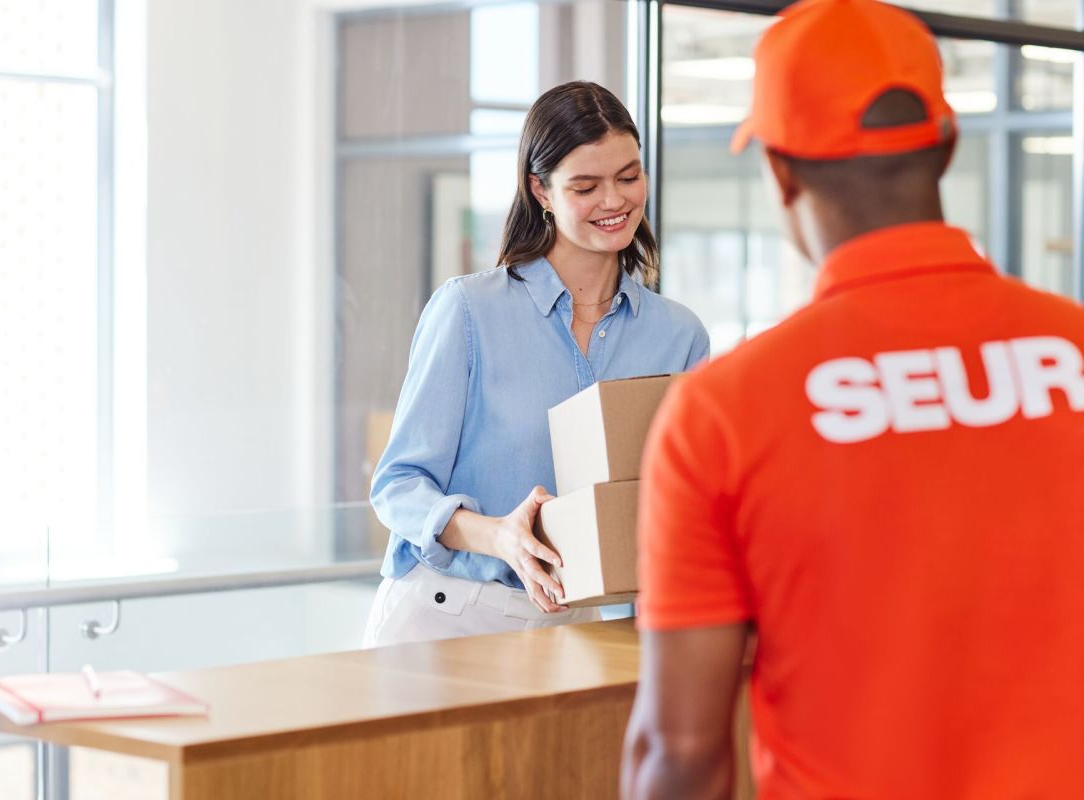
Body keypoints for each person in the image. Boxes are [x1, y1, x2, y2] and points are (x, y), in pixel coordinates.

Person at [622, 1, 1084, 798]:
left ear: (779, 169)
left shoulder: (723, 414)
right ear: (946, 147)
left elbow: (685, 753)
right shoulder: (1071, 349)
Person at [363, 81, 710, 648]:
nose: (615, 200)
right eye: (586, 186)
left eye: (628, 176)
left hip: (582, 630)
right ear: (540, 191)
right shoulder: (471, 310)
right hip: (448, 614)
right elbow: (399, 486)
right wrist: (500, 536)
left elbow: (681, 498)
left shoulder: (678, 336)